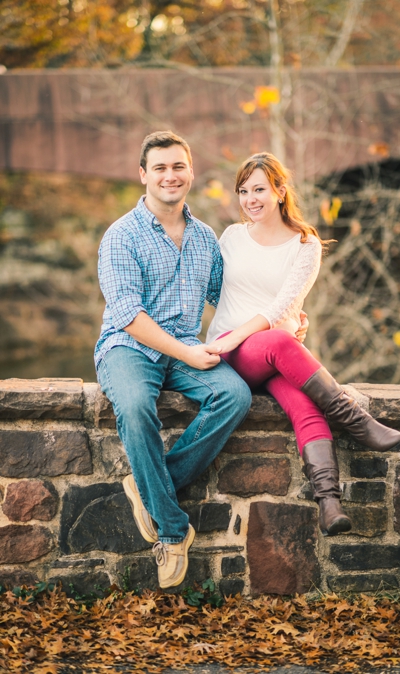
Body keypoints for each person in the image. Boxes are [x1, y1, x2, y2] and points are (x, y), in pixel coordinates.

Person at [205, 152, 400, 536]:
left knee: (303, 405)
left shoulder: (305, 244)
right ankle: (353, 418)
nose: (250, 199)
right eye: (243, 191)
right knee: (279, 339)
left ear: (280, 191)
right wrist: (252, 333)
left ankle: (329, 502)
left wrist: (291, 321)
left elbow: (282, 305)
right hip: (232, 352)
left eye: (259, 189)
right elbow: (215, 293)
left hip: (274, 352)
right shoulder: (230, 236)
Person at [96, 131, 252, 589]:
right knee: (136, 408)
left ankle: (147, 488)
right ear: (143, 175)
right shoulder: (121, 235)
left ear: (190, 172)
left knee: (234, 395)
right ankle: (169, 529)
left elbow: (229, 298)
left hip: (185, 347)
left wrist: (281, 320)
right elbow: (126, 313)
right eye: (160, 167)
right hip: (129, 348)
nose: (170, 175)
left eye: (178, 166)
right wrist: (185, 350)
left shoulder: (205, 238)